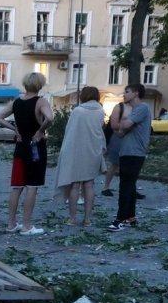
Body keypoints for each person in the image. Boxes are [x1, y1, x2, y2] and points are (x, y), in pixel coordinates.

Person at [0, 72, 53, 236]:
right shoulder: (41, 101)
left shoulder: (16, 103)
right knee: (32, 187)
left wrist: (15, 129)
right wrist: (40, 131)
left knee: (16, 187)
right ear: (40, 85)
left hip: (20, 147)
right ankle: (26, 226)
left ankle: (11, 224)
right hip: (36, 149)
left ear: (25, 84)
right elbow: (50, 118)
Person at [53, 86, 105, 227]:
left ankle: (72, 218)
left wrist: (65, 151)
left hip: (77, 151)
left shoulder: (78, 111)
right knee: (89, 185)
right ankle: (87, 219)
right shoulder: (100, 110)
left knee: (74, 185)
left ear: (83, 96)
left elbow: (70, 132)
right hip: (93, 151)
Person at [108, 83, 151, 231]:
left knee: (125, 187)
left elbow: (123, 125)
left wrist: (123, 123)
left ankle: (119, 220)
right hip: (127, 152)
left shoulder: (142, 108)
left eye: (127, 92)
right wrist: (123, 125)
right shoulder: (134, 110)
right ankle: (130, 218)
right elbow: (120, 131)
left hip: (134, 153)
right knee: (130, 186)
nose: (124, 94)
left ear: (136, 93)